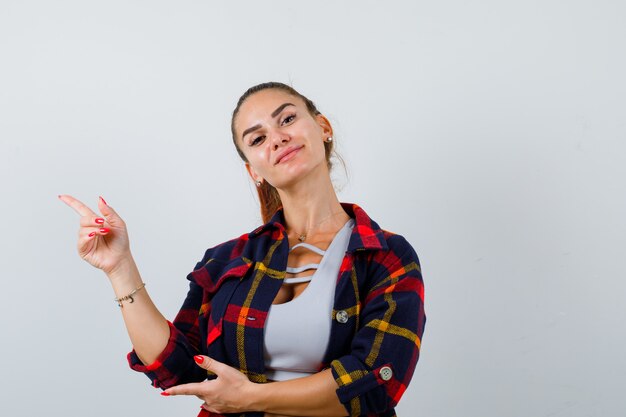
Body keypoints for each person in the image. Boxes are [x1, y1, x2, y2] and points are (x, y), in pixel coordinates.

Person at [59, 81, 426, 417]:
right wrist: (120, 268)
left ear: (323, 127)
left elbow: (377, 383)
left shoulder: (384, 255)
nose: (277, 138)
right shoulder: (226, 260)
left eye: (287, 118)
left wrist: (250, 398)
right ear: (254, 170)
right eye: (257, 139)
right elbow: (180, 369)